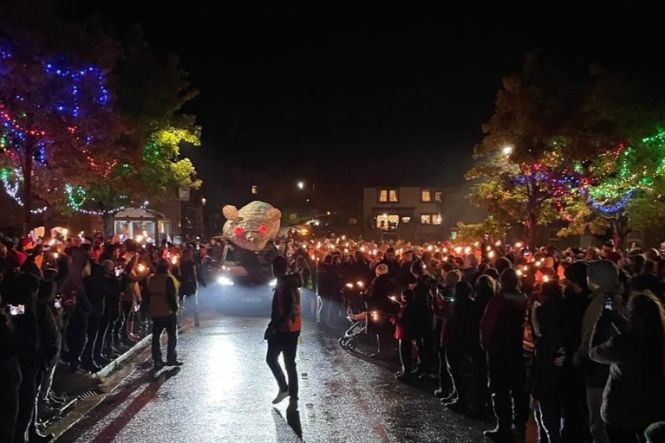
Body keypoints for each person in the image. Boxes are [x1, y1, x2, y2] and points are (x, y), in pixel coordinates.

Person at [589, 291, 665, 442]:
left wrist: (603, 321)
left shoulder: (623, 344)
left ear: (632, 315)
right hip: (655, 409)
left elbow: (595, 353)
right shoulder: (657, 339)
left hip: (622, 413)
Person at [575, 260, 623, 443]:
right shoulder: (619, 298)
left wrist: (579, 357)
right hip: (611, 368)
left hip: (599, 370)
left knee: (598, 423)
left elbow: (590, 336)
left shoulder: (600, 304)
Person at [480, 268, 529, 442]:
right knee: (518, 389)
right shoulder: (525, 300)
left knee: (499, 389)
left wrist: (486, 345)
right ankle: (520, 426)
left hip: (499, 351)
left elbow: (487, 325)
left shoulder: (498, 302)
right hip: (519, 351)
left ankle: (504, 426)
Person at [265, 256, 301, 408]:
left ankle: (285, 388)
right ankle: (292, 394)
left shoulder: (285, 285)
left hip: (284, 329)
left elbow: (286, 310)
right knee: (289, 363)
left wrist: (273, 327)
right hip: (293, 328)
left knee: (271, 359)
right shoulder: (288, 283)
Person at [532, 281, 566, 443]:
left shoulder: (547, 318)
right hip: (553, 372)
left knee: (547, 418)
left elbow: (544, 357)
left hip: (548, 373)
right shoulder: (564, 312)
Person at [146, 259, 182, 371]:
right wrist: (175, 308)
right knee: (172, 335)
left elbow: (146, 296)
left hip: (155, 312)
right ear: (167, 268)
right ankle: (171, 358)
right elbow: (171, 296)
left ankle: (157, 360)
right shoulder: (168, 279)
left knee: (156, 337)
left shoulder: (151, 279)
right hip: (168, 312)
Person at [178, 248, 200, 328]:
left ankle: (196, 320)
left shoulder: (190, 263)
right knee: (181, 304)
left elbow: (194, 275)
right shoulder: (180, 263)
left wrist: (195, 284)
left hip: (188, 285)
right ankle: (179, 322)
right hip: (184, 285)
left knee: (192, 303)